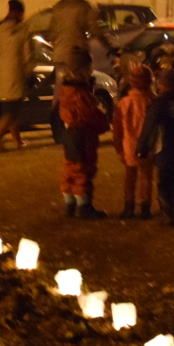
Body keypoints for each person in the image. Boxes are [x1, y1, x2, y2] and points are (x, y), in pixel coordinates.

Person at [136, 69, 174, 227]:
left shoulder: (159, 104)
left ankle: (167, 213)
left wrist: (141, 146)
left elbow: (149, 126)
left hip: (165, 148)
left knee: (164, 182)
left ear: (162, 84)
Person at [58, 47, 110, 219]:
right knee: (83, 171)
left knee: (70, 169)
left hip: (70, 134)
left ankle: (70, 203)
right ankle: (84, 206)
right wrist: (104, 121)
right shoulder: (80, 94)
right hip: (83, 135)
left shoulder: (65, 90)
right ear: (83, 70)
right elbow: (90, 115)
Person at [111, 66, 157, 219]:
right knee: (146, 177)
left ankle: (129, 206)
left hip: (129, 145)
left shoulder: (124, 103)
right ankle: (145, 207)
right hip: (148, 146)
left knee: (130, 176)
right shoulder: (153, 101)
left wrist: (118, 145)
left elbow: (117, 127)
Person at [0, 0, 29, 152]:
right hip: (17, 74)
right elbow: (27, 55)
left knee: (8, 111)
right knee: (12, 112)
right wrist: (28, 73)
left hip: (1, 75)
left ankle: (17, 141)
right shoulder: (24, 30)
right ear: (19, 13)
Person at [49, 0, 103, 91]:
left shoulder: (59, 6)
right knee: (79, 88)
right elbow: (96, 29)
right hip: (77, 55)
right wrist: (109, 46)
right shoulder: (86, 6)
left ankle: (57, 108)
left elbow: (51, 33)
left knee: (60, 88)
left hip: (59, 55)